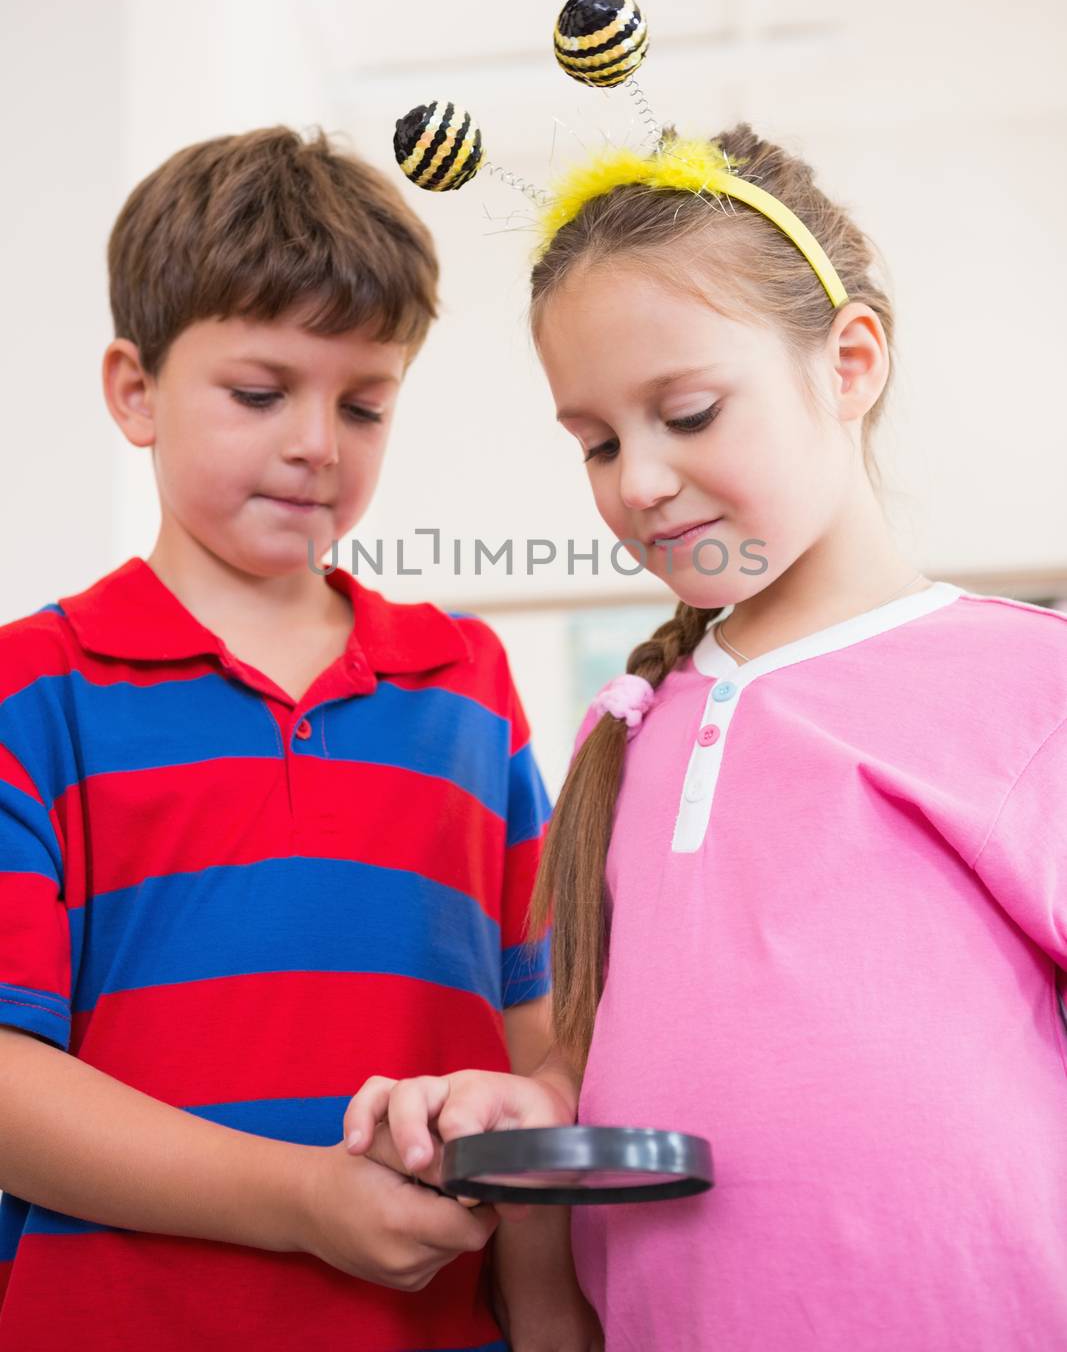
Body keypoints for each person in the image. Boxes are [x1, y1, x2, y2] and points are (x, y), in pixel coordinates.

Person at [345, 124, 1067, 1350]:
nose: (638, 482)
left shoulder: (1024, 684)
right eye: (598, 442)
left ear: (847, 364)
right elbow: (605, 1064)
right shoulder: (629, 732)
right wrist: (525, 1106)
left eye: (685, 412)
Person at [0, 126, 597, 1351]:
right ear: (134, 391)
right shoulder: (29, 694)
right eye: (261, 393)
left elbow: (541, 1039)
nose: (318, 443)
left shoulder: (466, 686)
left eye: (364, 403)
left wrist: (540, 1252)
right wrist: (301, 1203)